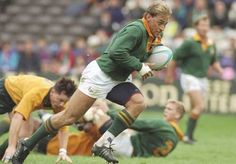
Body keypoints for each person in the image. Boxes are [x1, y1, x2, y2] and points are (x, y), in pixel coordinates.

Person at [12, 1, 172, 164]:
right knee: (68, 117)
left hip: (118, 78)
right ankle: (27, 144)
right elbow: (116, 52)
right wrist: (139, 66)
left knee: (138, 103)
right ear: (147, 16)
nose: (162, 27)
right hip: (101, 75)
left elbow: (142, 55)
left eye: (165, 24)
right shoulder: (136, 29)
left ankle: (102, 144)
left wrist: (152, 65)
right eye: (160, 22)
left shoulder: (156, 35)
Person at [1, 99, 185, 158]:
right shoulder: (176, 139)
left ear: (177, 115)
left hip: (52, 145)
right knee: (31, 125)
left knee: (98, 113)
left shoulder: (164, 125)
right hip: (131, 150)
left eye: (169, 109)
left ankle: (62, 115)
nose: (165, 112)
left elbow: (134, 122)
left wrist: (108, 111)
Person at [165, 14, 223, 144]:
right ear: (196, 26)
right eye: (202, 25)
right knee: (200, 106)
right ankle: (184, 135)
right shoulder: (189, 43)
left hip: (202, 79)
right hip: (189, 76)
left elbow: (214, 61)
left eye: (206, 25)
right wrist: (169, 75)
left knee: (194, 108)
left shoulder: (210, 43)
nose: (204, 28)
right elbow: (175, 58)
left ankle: (188, 136)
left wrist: (220, 70)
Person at [0, 74, 77, 163]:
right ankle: (9, 150)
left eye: (65, 101)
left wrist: (63, 151)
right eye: (60, 100)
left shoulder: (60, 103)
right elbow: (18, 117)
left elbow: (63, 126)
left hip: (20, 98)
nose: (62, 104)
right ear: (52, 92)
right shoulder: (37, 93)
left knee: (24, 134)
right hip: (5, 91)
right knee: (16, 137)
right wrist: (11, 146)